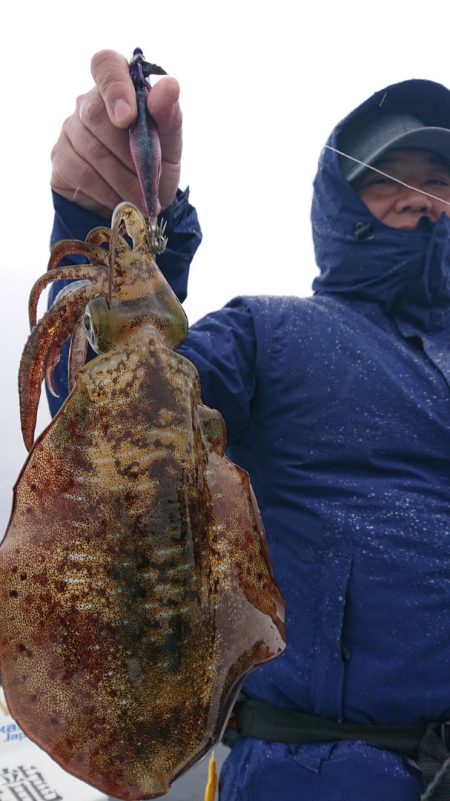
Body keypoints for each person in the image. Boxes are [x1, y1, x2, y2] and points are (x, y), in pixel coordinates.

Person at [48, 50, 450, 800]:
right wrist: (97, 235)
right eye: (390, 176)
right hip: (320, 775)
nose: (420, 196)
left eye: (439, 178)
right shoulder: (269, 333)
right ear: (340, 201)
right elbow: (104, 414)